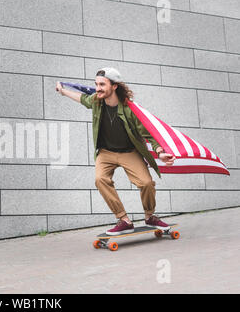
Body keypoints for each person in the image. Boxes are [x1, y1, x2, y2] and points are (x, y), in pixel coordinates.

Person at [55, 67, 176, 235]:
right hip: (105, 153)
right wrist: (63, 91)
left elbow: (147, 133)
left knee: (146, 183)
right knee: (100, 179)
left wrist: (160, 152)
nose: (97, 88)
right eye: (96, 84)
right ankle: (124, 220)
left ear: (114, 86)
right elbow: (82, 98)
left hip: (129, 152)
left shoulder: (129, 109)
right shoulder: (96, 101)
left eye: (102, 84)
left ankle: (150, 216)